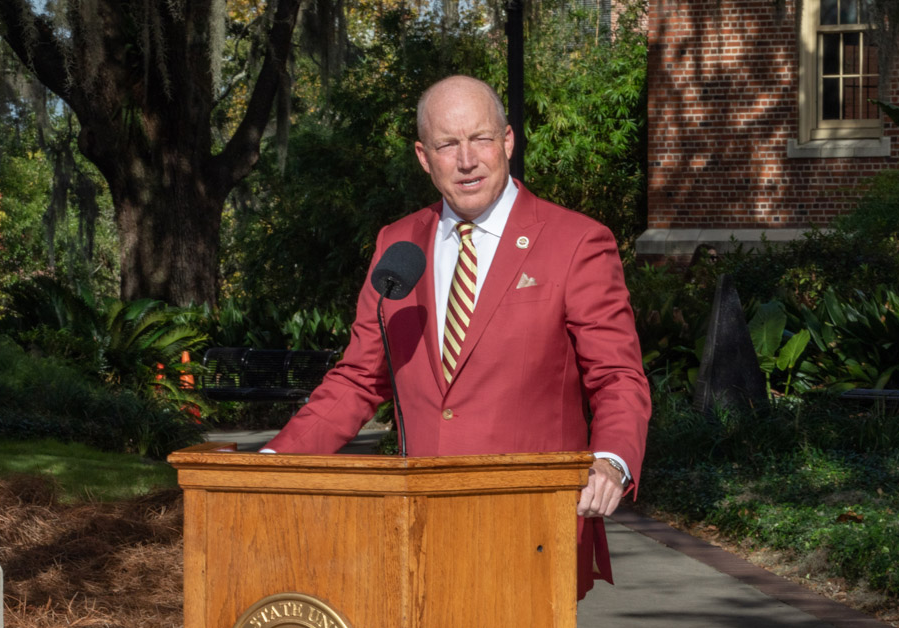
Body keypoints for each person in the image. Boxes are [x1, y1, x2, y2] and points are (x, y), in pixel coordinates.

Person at [264, 75, 651, 599]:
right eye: (449, 144)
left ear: (508, 141)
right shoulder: (397, 244)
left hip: (532, 530)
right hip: (419, 529)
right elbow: (358, 378)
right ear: (425, 157)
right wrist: (270, 466)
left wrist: (610, 461)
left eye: (481, 139)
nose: (467, 159)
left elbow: (617, 377)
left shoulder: (576, 242)